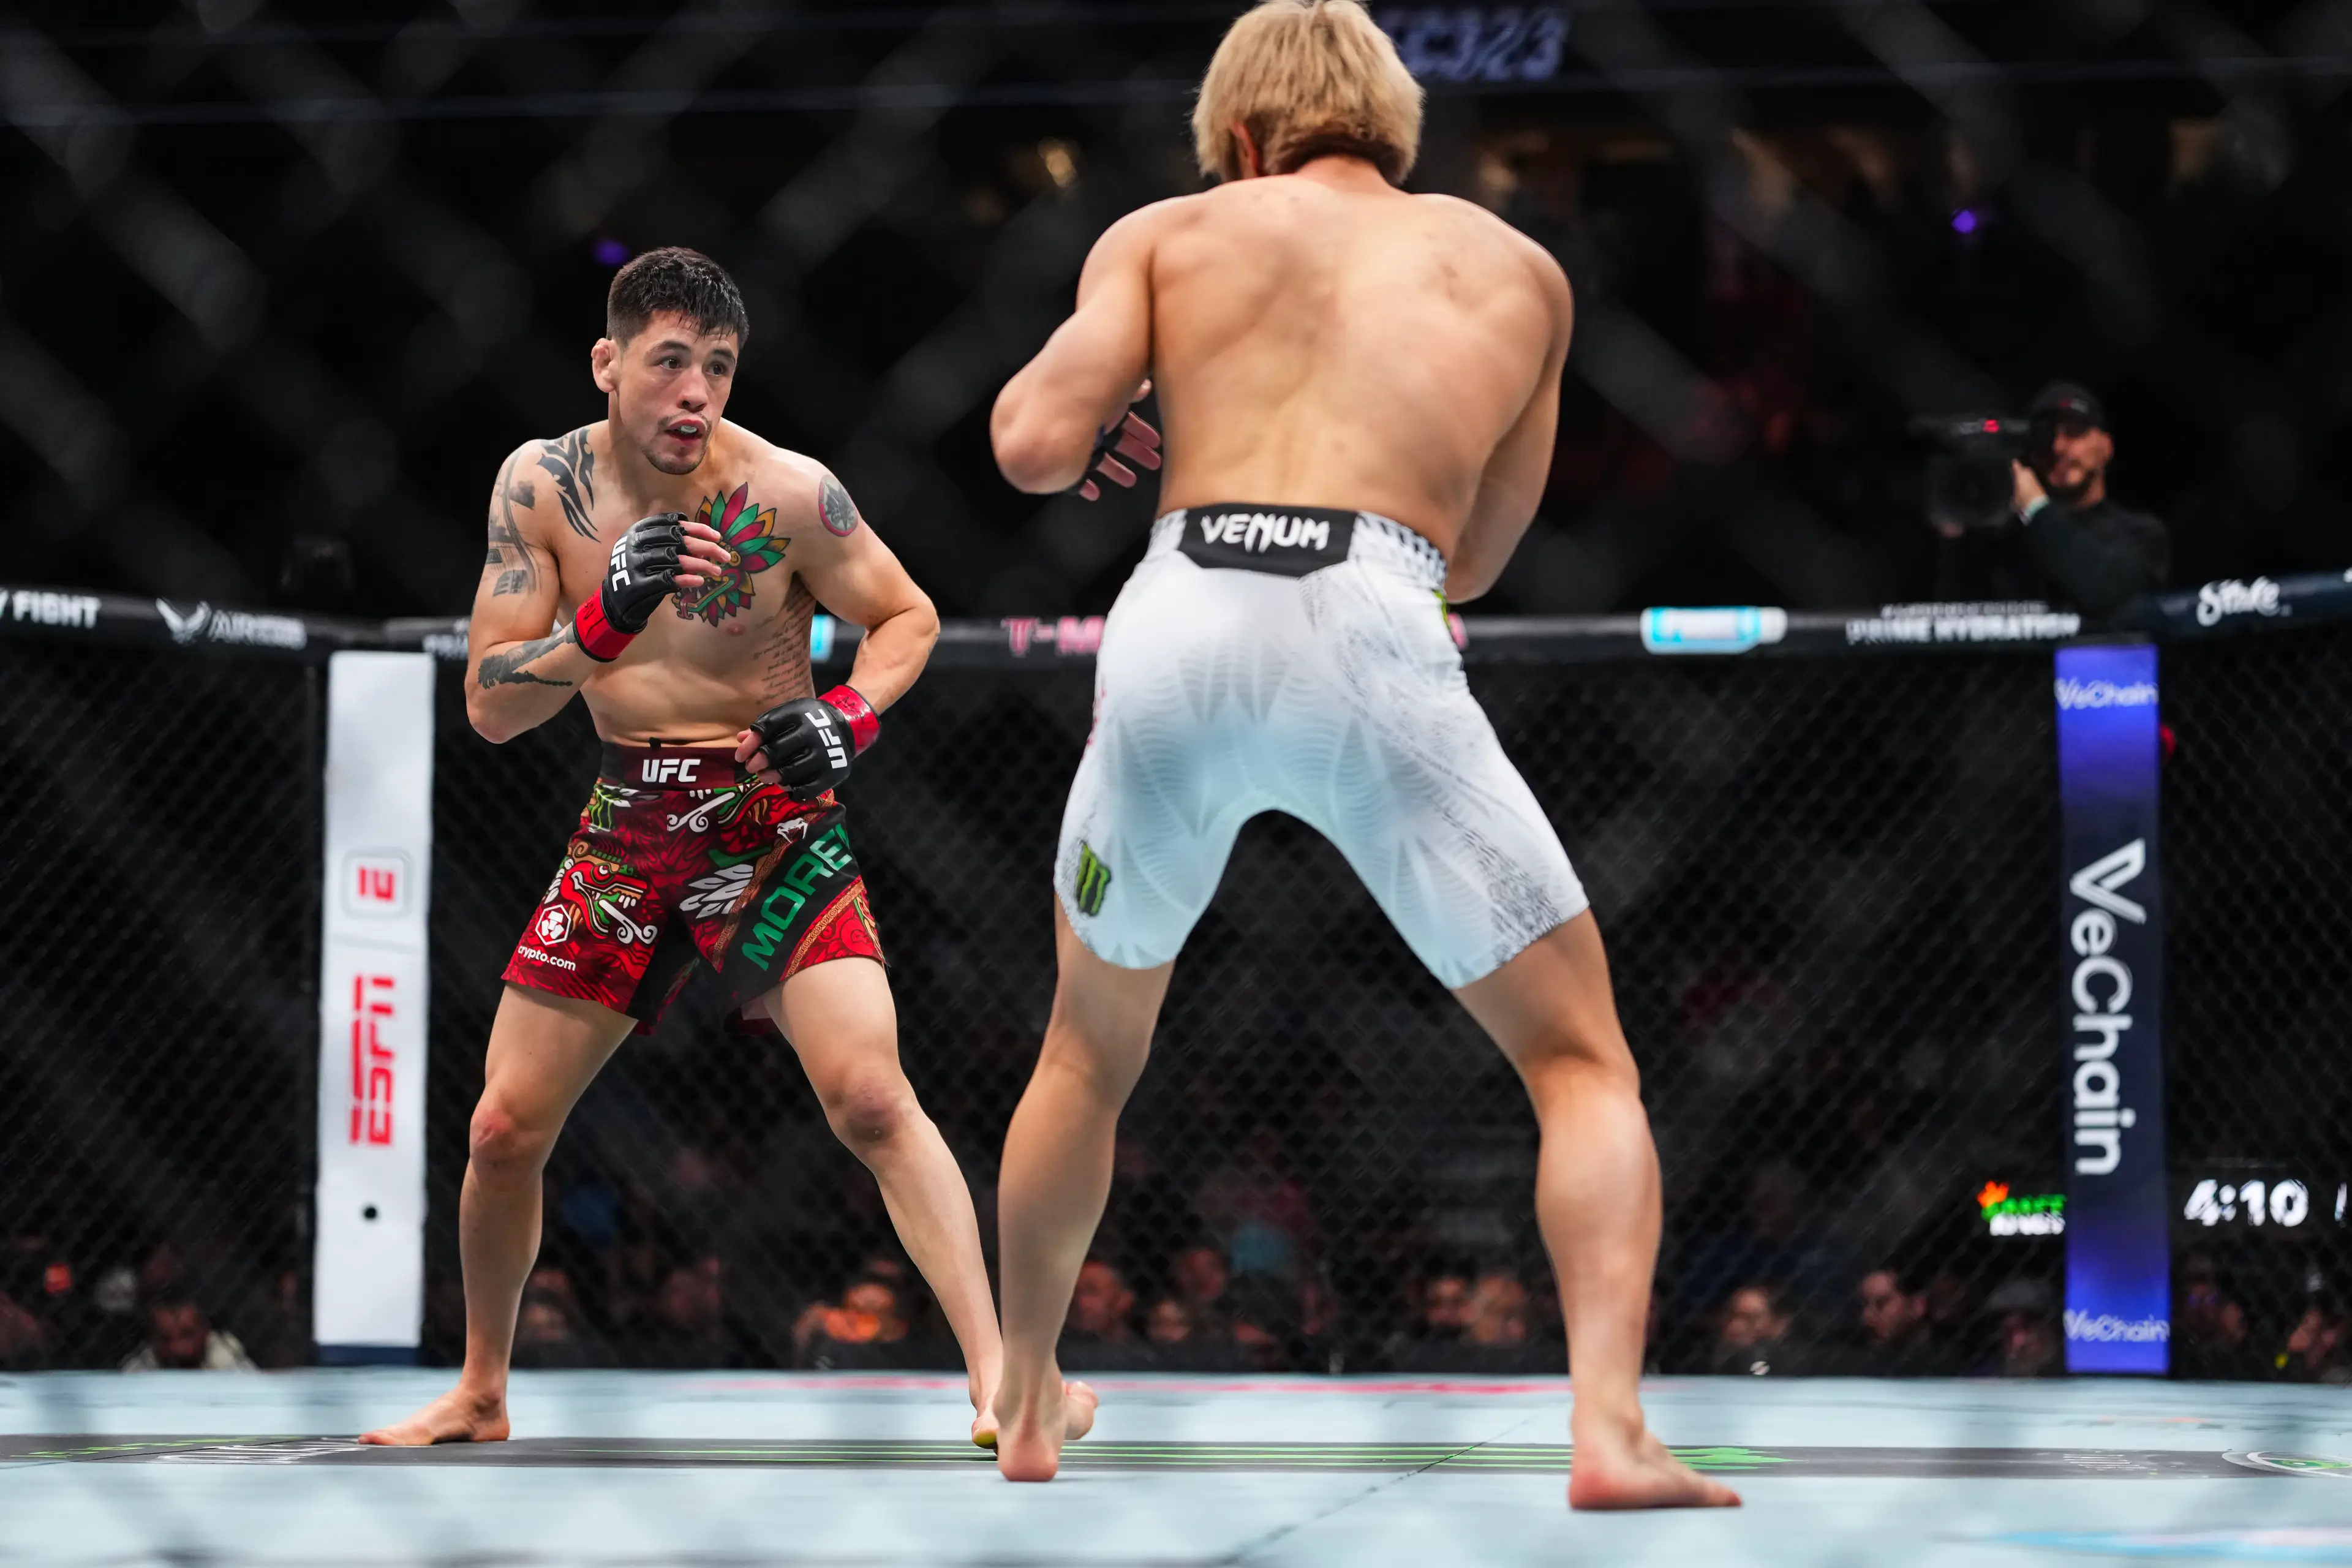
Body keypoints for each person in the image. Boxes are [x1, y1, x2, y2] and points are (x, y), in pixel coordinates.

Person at [984, 0, 1736, 1509]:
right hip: (1373, 607)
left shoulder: (1173, 231)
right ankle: (1606, 1428)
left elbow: (1031, 444)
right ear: (1394, 129)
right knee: (1578, 1056)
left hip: (1182, 606)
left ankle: (1022, 1398)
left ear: (1242, 138)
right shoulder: (1516, 270)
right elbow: (1478, 561)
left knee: (1086, 1047)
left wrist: (1143, 399)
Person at [361, 246, 1091, 1450]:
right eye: (668, 362)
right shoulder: (540, 491)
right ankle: (483, 1388)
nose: (696, 390)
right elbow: (493, 702)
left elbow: (906, 615)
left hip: (770, 822)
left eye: (717, 366)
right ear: (608, 365)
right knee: (502, 1129)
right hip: (631, 824)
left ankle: (1004, 1381)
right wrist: (605, 617)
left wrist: (847, 714)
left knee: (868, 1094)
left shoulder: (791, 492)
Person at [1930, 381, 2169, 620]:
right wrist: (1957, 541)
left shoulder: (2141, 534)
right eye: (2043, 437)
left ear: (2106, 446)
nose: (2058, 447)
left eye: (2075, 432)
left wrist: (2035, 506)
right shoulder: (2005, 542)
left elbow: (2106, 593)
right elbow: (1954, 624)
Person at [121, 1296, 254, 1372]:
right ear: (151, 1338)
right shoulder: (143, 1363)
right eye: (165, 1339)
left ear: (205, 1330)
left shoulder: (226, 1357)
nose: (177, 1349)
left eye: (187, 1335)